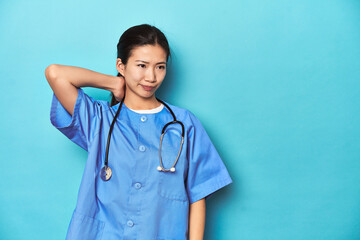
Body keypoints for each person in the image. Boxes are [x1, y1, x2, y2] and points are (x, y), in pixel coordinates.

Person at [45, 24, 233, 240]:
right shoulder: (99, 119)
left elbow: (198, 194)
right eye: (142, 65)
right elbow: (55, 73)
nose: (151, 77)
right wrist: (113, 83)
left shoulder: (183, 124)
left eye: (160, 67)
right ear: (121, 65)